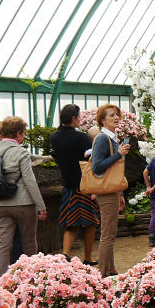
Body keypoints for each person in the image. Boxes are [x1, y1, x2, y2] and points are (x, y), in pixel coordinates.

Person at [0, 116, 46, 279]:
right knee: (29, 243)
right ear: (18, 133)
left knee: (2, 244)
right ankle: (32, 279)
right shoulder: (21, 152)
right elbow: (30, 181)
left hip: (0, 204)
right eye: (23, 134)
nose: (23, 137)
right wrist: (41, 206)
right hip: (23, 203)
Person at [50, 104, 100, 265]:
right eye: (79, 117)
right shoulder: (81, 138)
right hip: (84, 185)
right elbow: (92, 160)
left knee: (70, 222)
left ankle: (65, 253)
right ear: (73, 118)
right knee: (90, 222)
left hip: (68, 185)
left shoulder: (54, 138)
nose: (80, 120)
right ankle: (88, 256)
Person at [91, 103, 131, 277]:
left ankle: (111, 269)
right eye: (111, 115)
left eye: (117, 114)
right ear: (102, 120)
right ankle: (103, 272)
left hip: (112, 191)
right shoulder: (102, 139)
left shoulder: (112, 138)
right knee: (107, 233)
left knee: (111, 232)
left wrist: (120, 194)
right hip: (105, 192)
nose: (116, 118)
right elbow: (97, 167)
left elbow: (114, 171)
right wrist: (119, 154)